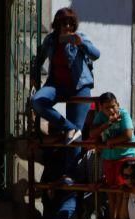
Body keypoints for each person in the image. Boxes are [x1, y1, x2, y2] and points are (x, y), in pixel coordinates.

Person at [30, 8, 99, 144]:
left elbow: (96, 54)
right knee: (37, 101)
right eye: (64, 23)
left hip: (79, 88)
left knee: (73, 141)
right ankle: (70, 127)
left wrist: (81, 43)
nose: (67, 26)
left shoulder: (79, 37)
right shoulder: (50, 40)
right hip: (56, 86)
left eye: (70, 23)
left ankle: (71, 163)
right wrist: (34, 76)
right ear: (57, 24)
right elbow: (39, 59)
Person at [88, 92, 135, 219]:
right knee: (111, 189)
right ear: (101, 108)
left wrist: (111, 141)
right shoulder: (100, 117)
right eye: (107, 108)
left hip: (125, 155)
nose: (111, 110)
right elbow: (92, 133)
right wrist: (107, 124)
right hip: (109, 157)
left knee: (122, 189)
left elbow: (128, 135)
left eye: (113, 106)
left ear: (118, 105)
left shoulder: (123, 114)